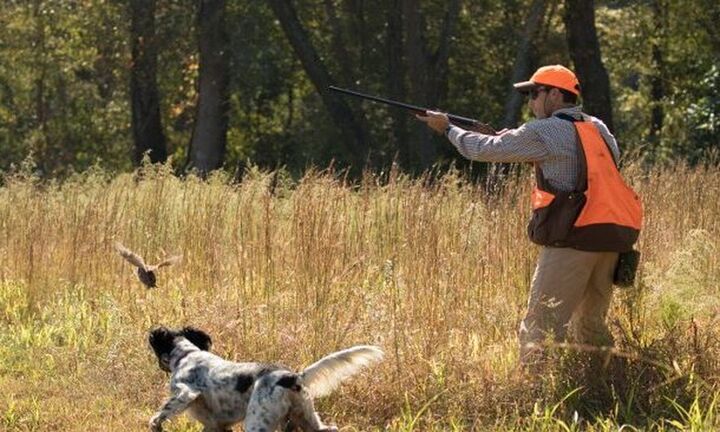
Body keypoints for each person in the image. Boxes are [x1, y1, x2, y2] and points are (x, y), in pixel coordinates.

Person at [416, 64, 641, 363]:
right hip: (611, 240)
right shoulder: (598, 128)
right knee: (590, 327)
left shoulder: (545, 130)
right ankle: (603, 386)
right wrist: (515, 141)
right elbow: (580, 168)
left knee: (540, 328)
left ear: (555, 95)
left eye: (535, 93)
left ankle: (537, 396)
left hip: (572, 242)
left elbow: (482, 150)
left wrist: (447, 128)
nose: (531, 102)